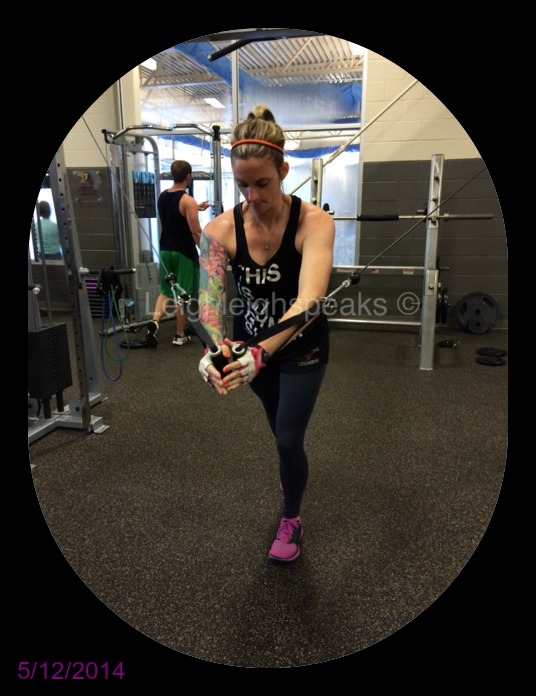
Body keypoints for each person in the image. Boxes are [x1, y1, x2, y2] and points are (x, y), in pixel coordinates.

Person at [197, 105, 335, 563]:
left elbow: (309, 301)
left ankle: (292, 517)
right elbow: (209, 301)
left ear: (283, 173)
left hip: (300, 348)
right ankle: (291, 472)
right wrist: (215, 349)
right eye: (242, 185)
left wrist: (259, 352)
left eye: (262, 183)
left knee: (288, 439)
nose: (252, 196)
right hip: (250, 349)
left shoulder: (313, 223)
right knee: (279, 429)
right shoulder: (220, 229)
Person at [146, 160, 210, 347]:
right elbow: (196, 232)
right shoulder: (188, 201)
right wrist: (206, 254)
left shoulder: (162, 196)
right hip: (183, 253)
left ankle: (155, 321)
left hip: (165, 251)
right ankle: (179, 334)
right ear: (188, 177)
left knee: (166, 291)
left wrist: (195, 208)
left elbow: (175, 214)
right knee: (184, 294)